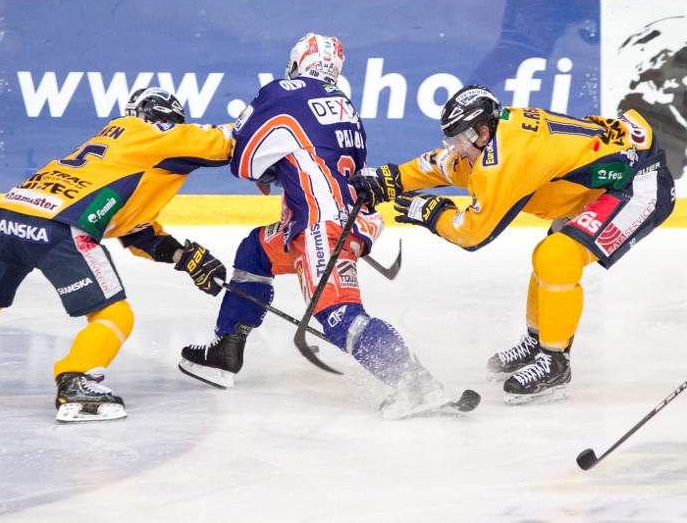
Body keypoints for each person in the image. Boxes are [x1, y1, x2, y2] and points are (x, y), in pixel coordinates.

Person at [177, 33, 479, 419]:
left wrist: (264, 165)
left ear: (296, 63)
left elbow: (243, 162)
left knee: (339, 317)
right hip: (332, 220)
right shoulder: (345, 106)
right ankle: (225, 350)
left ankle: (414, 382)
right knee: (254, 250)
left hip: (322, 227)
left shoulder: (282, 92)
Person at [0, 88, 232, 422]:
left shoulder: (120, 152)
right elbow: (228, 139)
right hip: (60, 225)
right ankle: (75, 383)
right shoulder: (154, 134)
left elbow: (136, 230)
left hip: (9, 214)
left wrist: (183, 257)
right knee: (115, 314)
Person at [352, 85, 676, 405]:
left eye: (459, 139)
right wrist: (388, 179)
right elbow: (448, 164)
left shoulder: (508, 158)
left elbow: (472, 234)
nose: (455, 147)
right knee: (547, 258)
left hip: (640, 182)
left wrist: (432, 212)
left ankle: (555, 363)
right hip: (604, 180)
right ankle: (539, 342)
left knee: (556, 256)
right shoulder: (496, 136)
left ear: (481, 132)